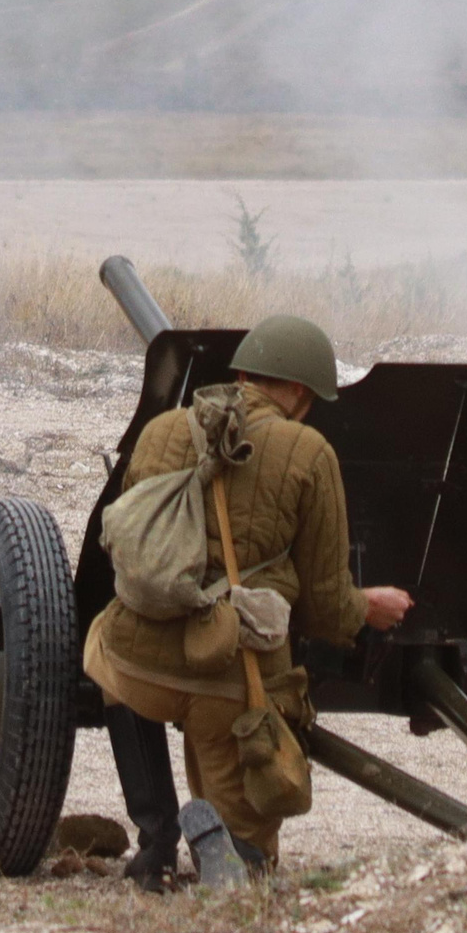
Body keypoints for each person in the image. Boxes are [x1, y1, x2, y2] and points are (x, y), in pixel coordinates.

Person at [85, 315, 412, 888]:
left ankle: (156, 838)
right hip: (231, 684)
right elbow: (326, 608)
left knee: (107, 658)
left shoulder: (161, 430)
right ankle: (233, 851)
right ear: (303, 395)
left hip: (139, 663)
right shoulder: (308, 452)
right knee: (251, 864)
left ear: (240, 373)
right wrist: (370, 606)